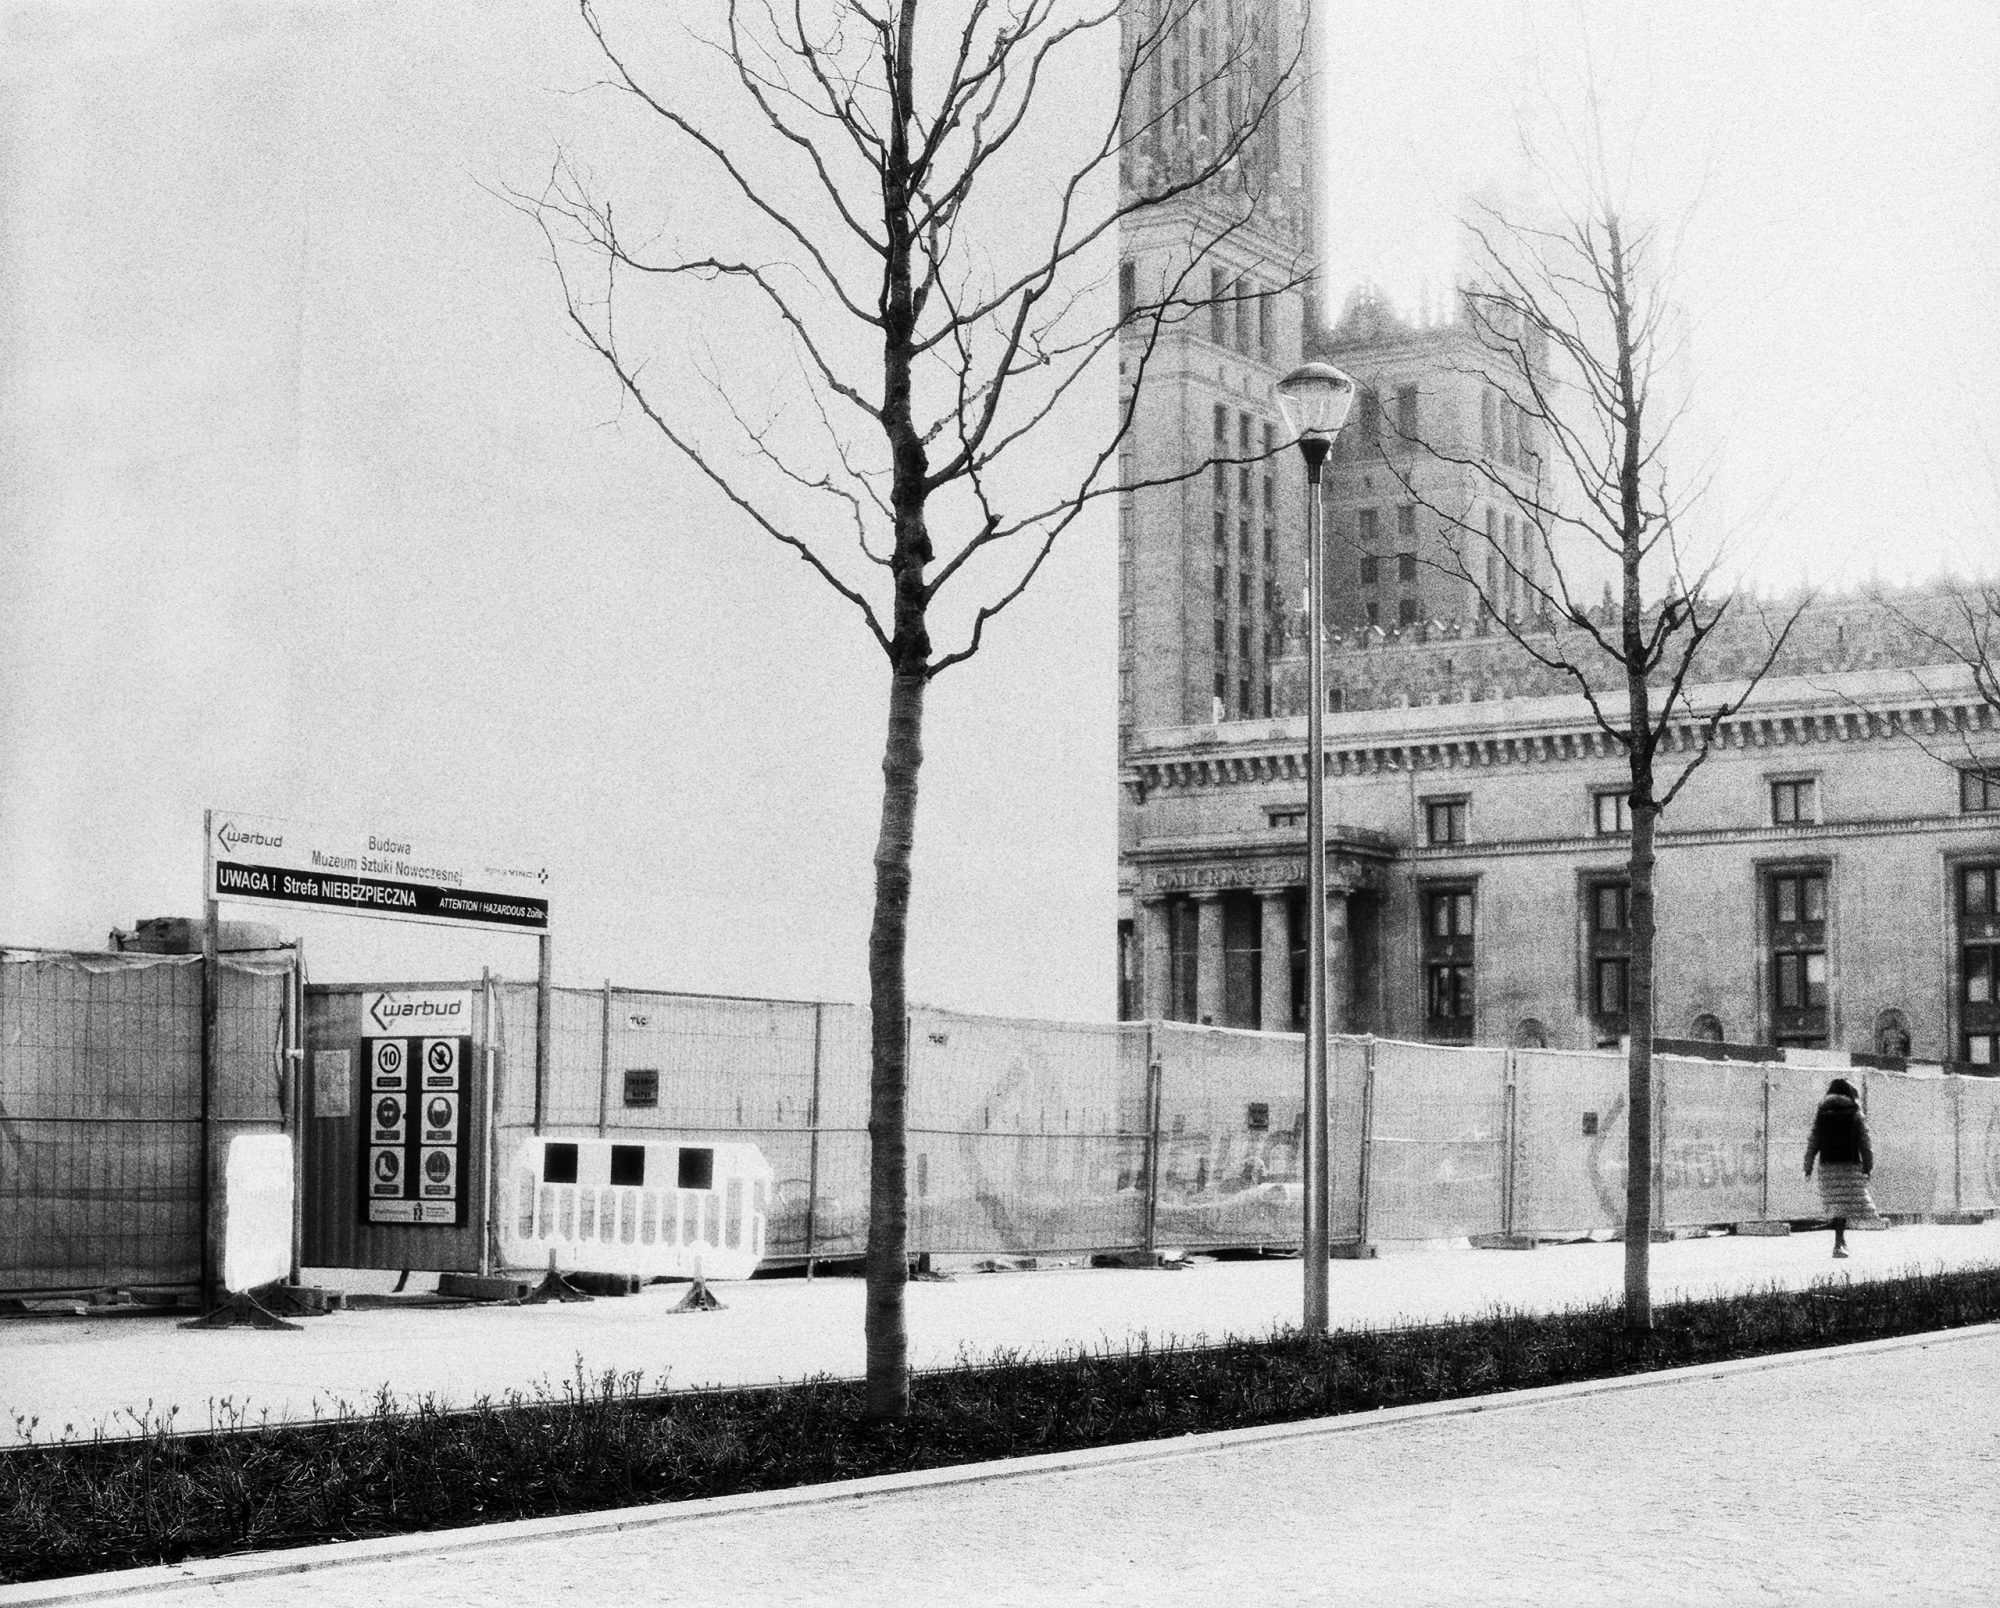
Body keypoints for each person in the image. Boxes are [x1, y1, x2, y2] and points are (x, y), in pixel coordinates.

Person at [1803, 1077, 1876, 1258]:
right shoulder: (1855, 1112)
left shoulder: (1822, 1112)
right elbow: (1864, 1142)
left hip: (1827, 1165)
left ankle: (1839, 1241)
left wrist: (1808, 1164)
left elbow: (1814, 1140)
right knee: (1844, 1204)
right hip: (1849, 1164)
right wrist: (1868, 1165)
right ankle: (1839, 1241)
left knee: (1836, 1203)